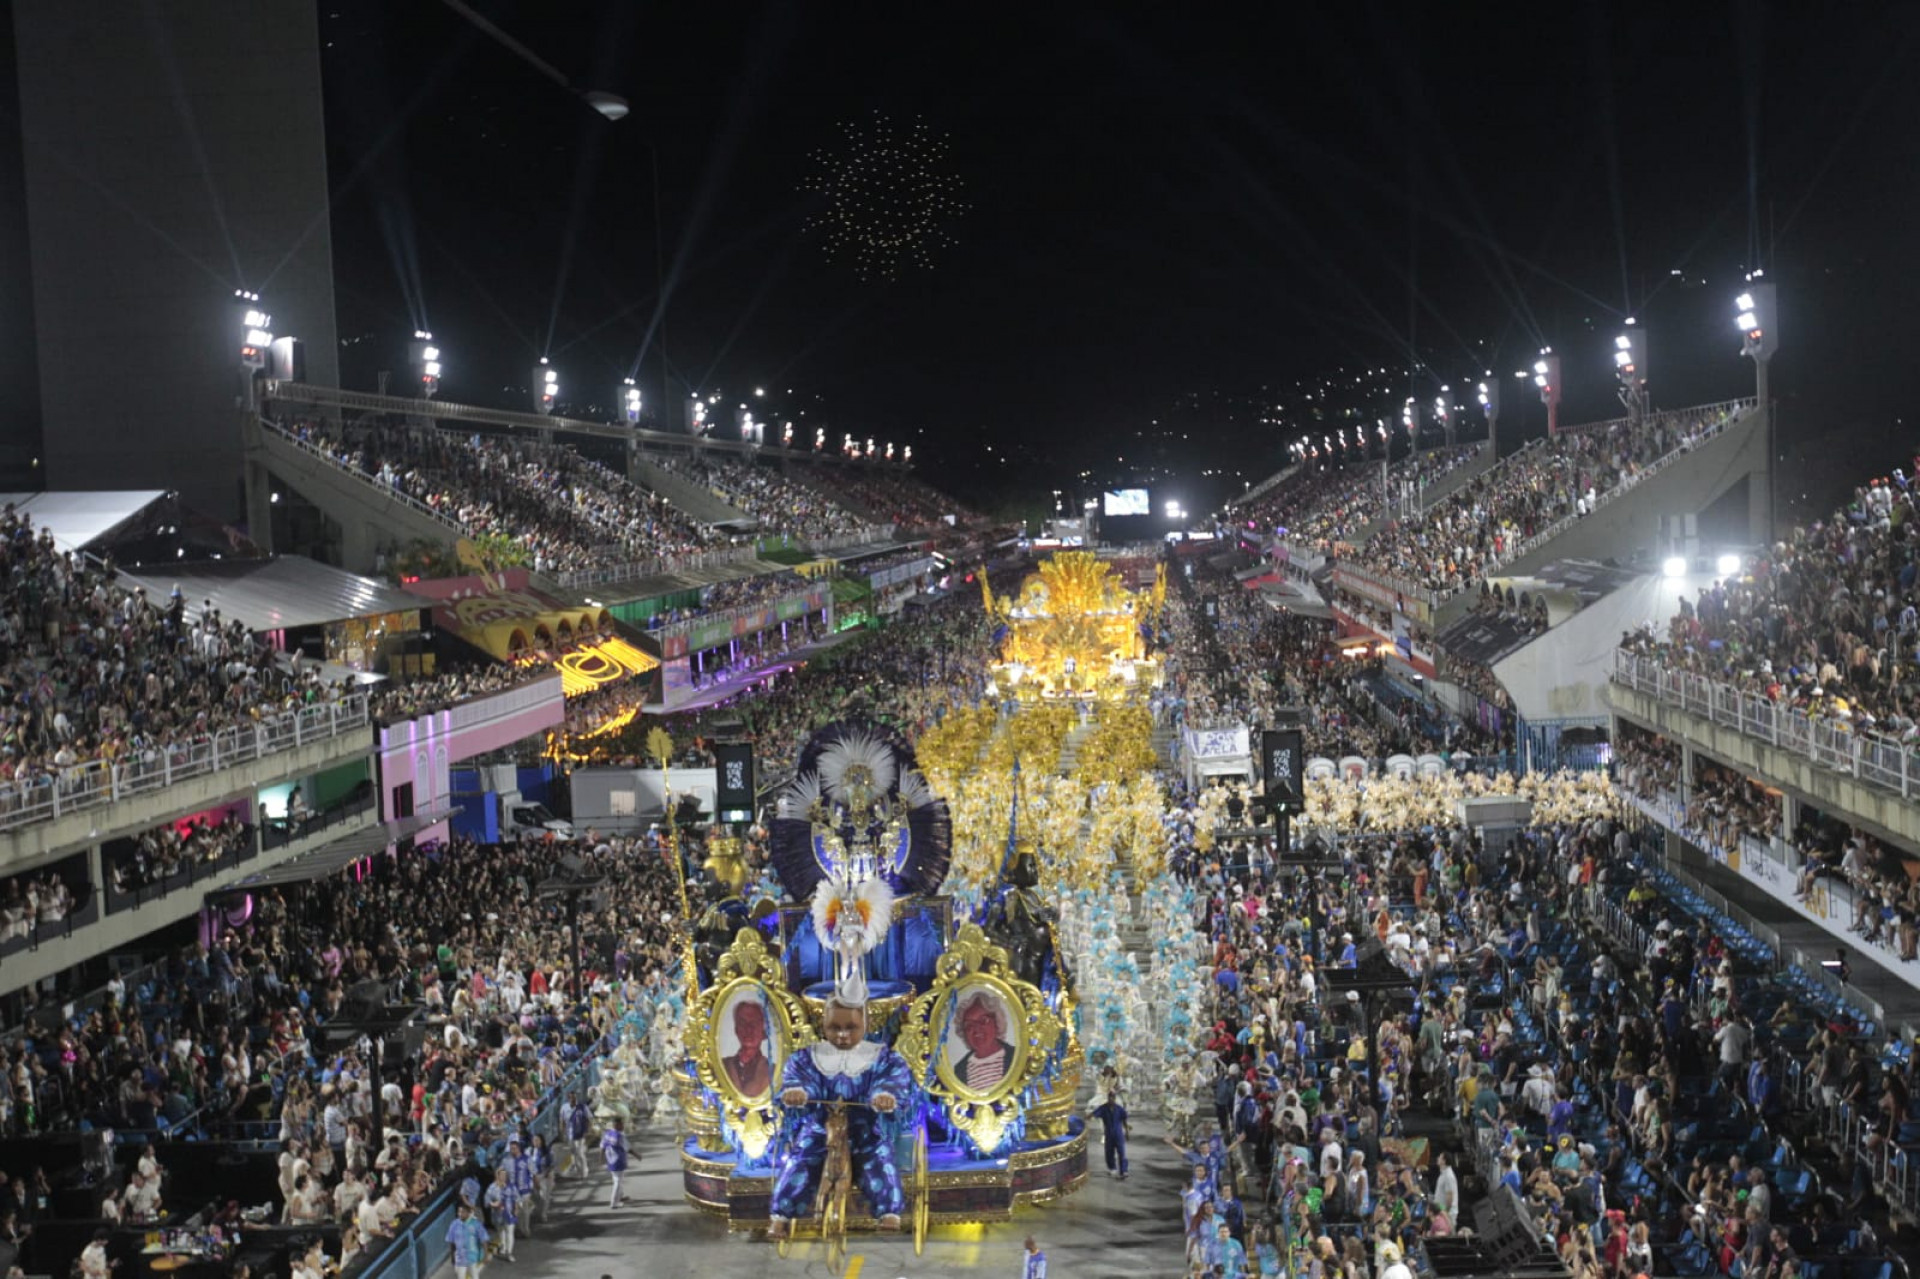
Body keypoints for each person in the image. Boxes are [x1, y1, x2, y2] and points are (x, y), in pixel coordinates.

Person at [769, 992, 915, 1237]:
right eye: (834, 1027)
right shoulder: (806, 1058)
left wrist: (884, 1095)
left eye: (851, 1027)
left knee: (880, 1160)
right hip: (821, 1130)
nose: (842, 1034)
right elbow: (798, 1079)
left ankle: (889, 1212)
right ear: (823, 1024)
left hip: (866, 1132)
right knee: (800, 1160)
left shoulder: (883, 1058)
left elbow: (893, 1080)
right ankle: (780, 1216)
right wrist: (798, 1092)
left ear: (865, 1023)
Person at [953, 992, 1016, 1089]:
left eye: (983, 1021)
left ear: (997, 1022)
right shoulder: (959, 1071)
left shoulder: (1016, 1057)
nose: (976, 1029)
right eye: (969, 1025)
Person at [723, 1000, 774, 1097]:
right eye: (743, 1023)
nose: (748, 1029)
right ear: (736, 1029)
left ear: (764, 1030)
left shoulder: (774, 1071)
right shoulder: (722, 1066)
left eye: (754, 1023)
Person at [1091, 1065, 1130, 1179]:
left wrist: (1127, 1132)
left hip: (1118, 1133)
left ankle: (1124, 1170)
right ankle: (1112, 1168)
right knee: (1109, 1151)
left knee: (1121, 1152)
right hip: (1102, 1099)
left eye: (1110, 1069)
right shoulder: (1103, 1107)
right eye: (1106, 1069)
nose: (1108, 1071)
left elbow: (1124, 1120)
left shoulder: (1119, 1108)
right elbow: (1099, 1085)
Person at [446, 1200, 489, 1279]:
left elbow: (484, 1239)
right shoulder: (454, 1224)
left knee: (474, 1276)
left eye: (462, 1212)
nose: (460, 1214)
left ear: (468, 1213)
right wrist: (452, 1256)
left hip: (472, 1256)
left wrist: (486, 1255)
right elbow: (452, 1242)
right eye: (458, 1212)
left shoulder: (476, 1224)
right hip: (460, 1257)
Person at [484, 1166, 519, 1262]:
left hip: (510, 1214)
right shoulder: (492, 1188)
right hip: (498, 1215)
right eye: (501, 1175)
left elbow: (516, 1198)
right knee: (501, 1231)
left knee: (510, 1232)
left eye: (504, 1175)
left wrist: (516, 1208)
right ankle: (503, 1245)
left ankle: (509, 1253)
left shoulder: (511, 1186)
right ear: (497, 1176)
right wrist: (493, 1204)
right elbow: (486, 1200)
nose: (503, 1177)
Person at [601, 1116, 630, 1208]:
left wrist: (601, 1160)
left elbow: (602, 1147)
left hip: (610, 1161)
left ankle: (619, 1196)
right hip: (618, 1161)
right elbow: (628, 1148)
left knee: (617, 1179)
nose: (623, 1126)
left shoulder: (607, 1133)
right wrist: (637, 1155)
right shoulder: (619, 1135)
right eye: (622, 1124)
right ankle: (613, 1202)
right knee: (618, 1181)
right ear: (617, 1125)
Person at [564, 1092, 591, 1178]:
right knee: (573, 1154)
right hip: (570, 1134)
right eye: (572, 1098)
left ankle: (585, 1170)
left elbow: (588, 1118)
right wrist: (564, 1133)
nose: (574, 1100)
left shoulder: (582, 1107)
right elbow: (562, 1121)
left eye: (575, 1098)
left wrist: (587, 1130)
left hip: (580, 1134)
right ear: (568, 1099)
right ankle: (579, 1171)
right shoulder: (565, 1108)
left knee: (580, 1153)